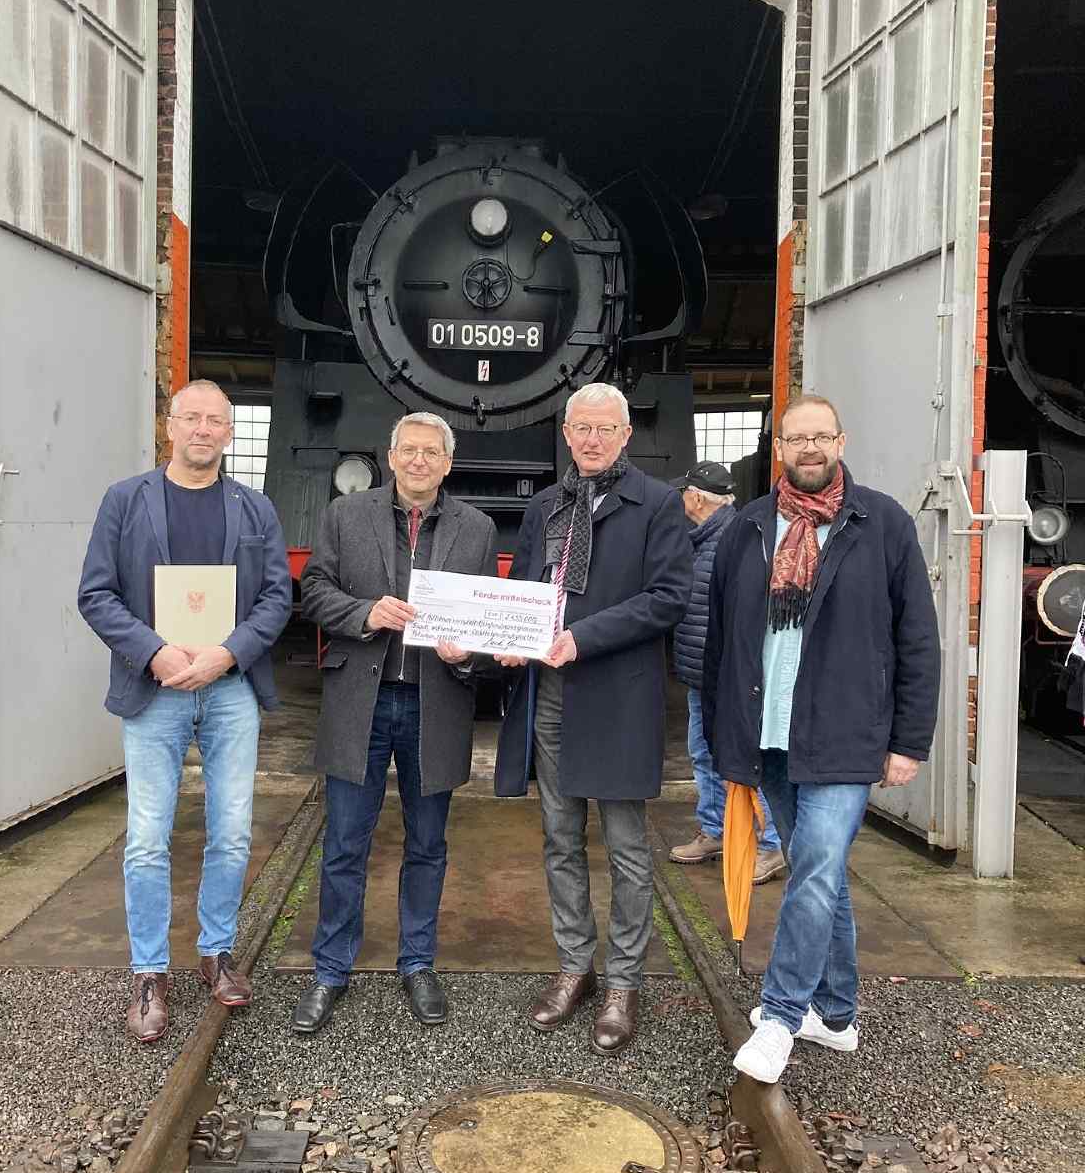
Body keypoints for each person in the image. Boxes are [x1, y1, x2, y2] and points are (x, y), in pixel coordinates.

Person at [702, 393, 940, 1083]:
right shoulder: (748, 528)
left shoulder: (882, 524)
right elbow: (721, 642)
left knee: (811, 869)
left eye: (821, 437)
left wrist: (908, 741)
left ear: (841, 441)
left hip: (844, 735)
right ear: (779, 448)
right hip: (768, 734)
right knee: (821, 872)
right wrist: (723, 737)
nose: (809, 448)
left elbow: (916, 640)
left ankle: (780, 1016)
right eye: (796, 438)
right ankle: (834, 1015)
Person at [78, 379, 292, 1043]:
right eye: (191, 417)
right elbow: (96, 594)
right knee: (147, 837)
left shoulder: (255, 508)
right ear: (170, 426)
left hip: (230, 689)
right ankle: (149, 971)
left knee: (232, 831)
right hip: (156, 689)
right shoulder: (124, 501)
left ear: (229, 432)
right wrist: (156, 652)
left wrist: (228, 653)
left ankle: (216, 951)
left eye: (215, 420)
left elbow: (277, 598)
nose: (203, 429)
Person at [494, 383, 692, 1056]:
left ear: (626, 435)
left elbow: (669, 597)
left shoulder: (657, 504)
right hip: (552, 693)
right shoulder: (545, 506)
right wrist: (511, 636)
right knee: (559, 839)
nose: (593, 439)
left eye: (606, 428)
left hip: (618, 696)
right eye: (582, 427)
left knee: (628, 848)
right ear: (567, 434)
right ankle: (575, 967)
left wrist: (584, 637)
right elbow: (527, 589)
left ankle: (624, 983)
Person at [293, 412, 498, 1034]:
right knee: (343, 844)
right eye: (408, 449)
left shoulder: (477, 528)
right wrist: (364, 613)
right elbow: (314, 591)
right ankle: (330, 970)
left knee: (428, 844)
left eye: (431, 452)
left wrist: (468, 652)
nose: (418, 460)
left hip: (436, 703)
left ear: (447, 463)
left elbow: (488, 616)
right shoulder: (345, 515)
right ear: (390, 455)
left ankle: (418, 963)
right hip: (362, 699)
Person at [669, 460, 784, 884]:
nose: (681, 499)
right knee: (704, 754)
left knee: (747, 757)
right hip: (702, 674)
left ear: (697, 498)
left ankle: (772, 844)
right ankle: (715, 829)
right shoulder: (700, 539)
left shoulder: (737, 541)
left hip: (729, 676)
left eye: (684, 492)